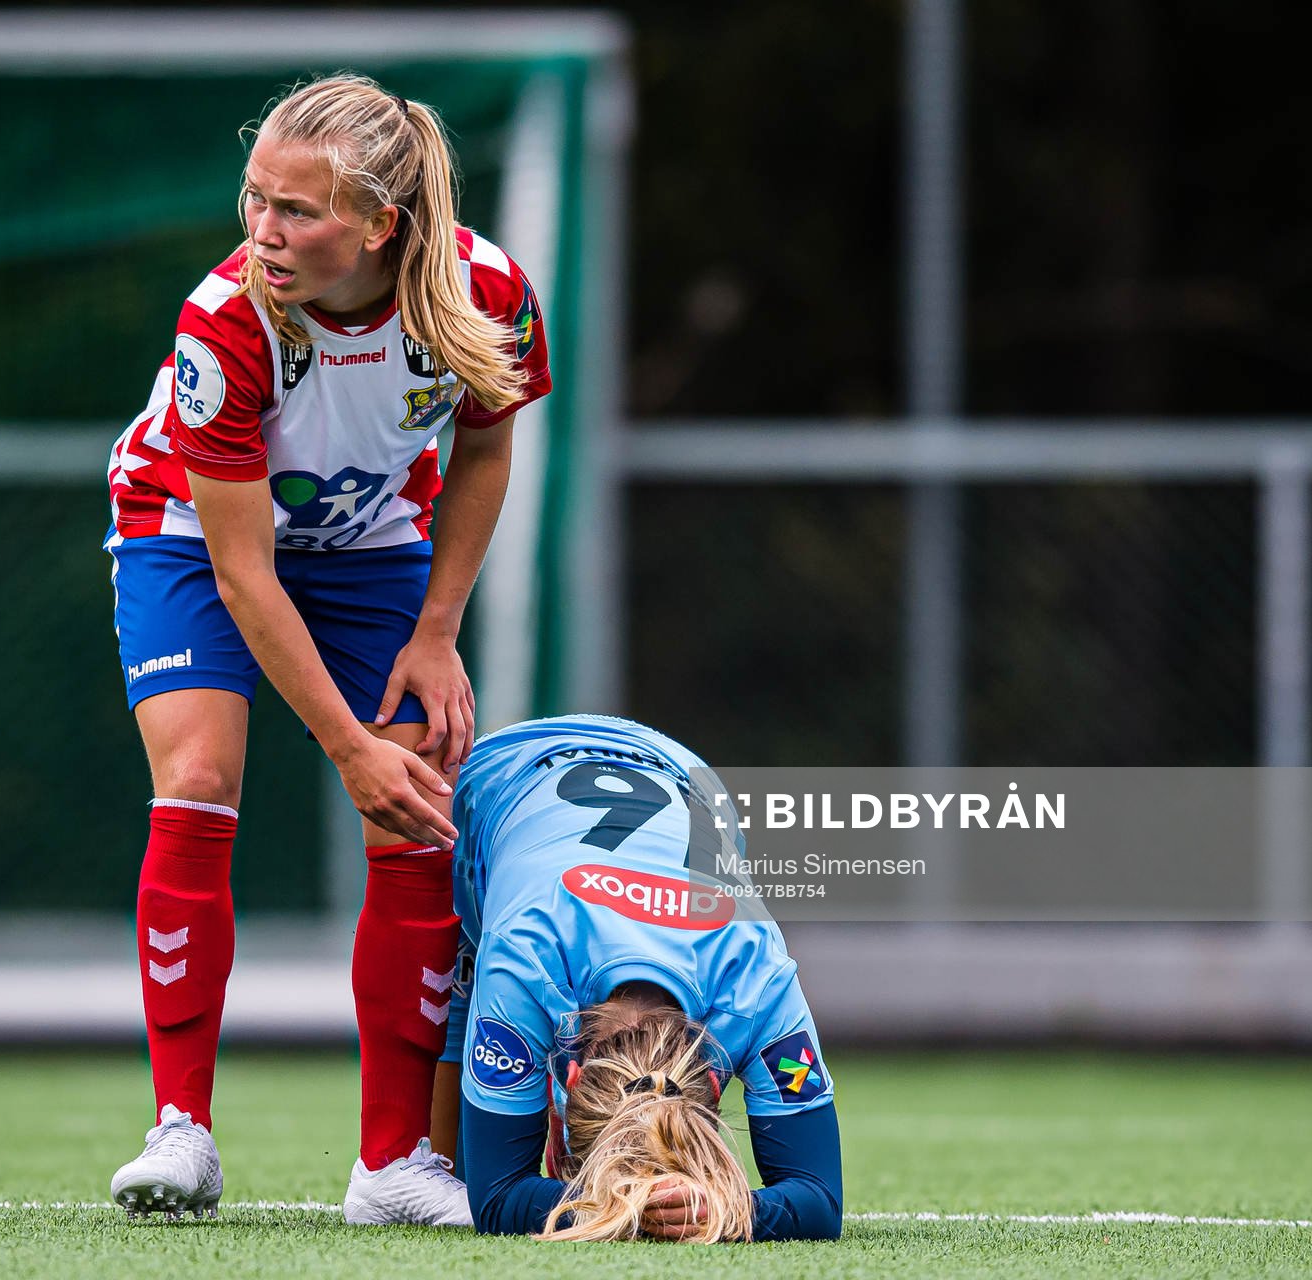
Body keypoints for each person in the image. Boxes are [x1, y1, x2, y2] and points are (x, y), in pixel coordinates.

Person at [102, 74, 552, 1226]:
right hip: (194, 534)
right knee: (199, 778)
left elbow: (488, 453)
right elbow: (247, 574)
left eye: (297, 211)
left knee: (417, 808)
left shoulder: (488, 289)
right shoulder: (227, 316)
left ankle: (396, 1165)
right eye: (255, 199)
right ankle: (180, 1131)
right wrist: (347, 741)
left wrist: (439, 631)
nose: (264, 231)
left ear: (379, 225)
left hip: (373, 549)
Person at [440, 714, 843, 1242]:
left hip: (687, 776)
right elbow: (492, 1201)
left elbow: (820, 1203)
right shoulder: (528, 962)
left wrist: (704, 1204)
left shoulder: (758, 983)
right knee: (444, 1175)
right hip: (496, 776)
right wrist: (632, 1205)